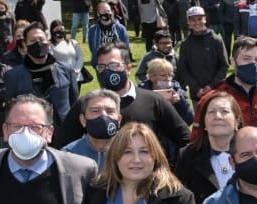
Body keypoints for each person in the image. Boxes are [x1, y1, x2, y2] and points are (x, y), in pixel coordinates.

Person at [54, 43, 189, 152]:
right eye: (102, 67)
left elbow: (185, 139)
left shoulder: (153, 101)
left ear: (128, 68)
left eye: (114, 65)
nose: (108, 71)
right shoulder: (86, 104)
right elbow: (61, 146)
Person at [5, 23, 79, 127]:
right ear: (25, 46)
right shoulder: (13, 76)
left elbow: (75, 104)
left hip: (63, 134)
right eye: (33, 41)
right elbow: (11, 110)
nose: (38, 44)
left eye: (41, 40)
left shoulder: (66, 69)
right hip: (31, 134)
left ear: (48, 43)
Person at [63, 89, 122, 170]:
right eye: (95, 111)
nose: (103, 115)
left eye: (110, 111)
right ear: (83, 120)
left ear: (119, 120)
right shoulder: (69, 155)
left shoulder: (130, 151)